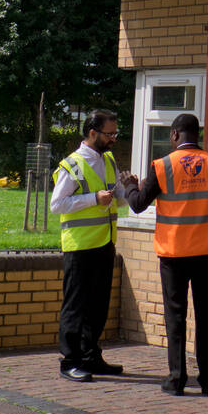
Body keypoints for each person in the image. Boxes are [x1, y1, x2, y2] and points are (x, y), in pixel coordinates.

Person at [124, 112, 208, 395]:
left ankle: (176, 380)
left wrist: (129, 185)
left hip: (173, 255)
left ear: (174, 135)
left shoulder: (162, 167)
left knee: (175, 316)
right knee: (205, 317)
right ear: (196, 135)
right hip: (207, 254)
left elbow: (137, 204)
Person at [51, 108, 137, 382]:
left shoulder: (108, 160)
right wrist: (92, 199)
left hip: (105, 242)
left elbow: (117, 200)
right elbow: (56, 205)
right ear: (92, 133)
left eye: (115, 133)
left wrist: (128, 188)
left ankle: (91, 356)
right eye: (109, 134)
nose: (113, 138)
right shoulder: (72, 164)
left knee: (99, 304)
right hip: (79, 246)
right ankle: (70, 361)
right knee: (76, 305)